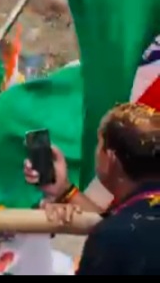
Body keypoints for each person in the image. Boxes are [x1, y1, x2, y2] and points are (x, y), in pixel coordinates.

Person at [24, 102, 160, 275]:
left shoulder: (113, 238)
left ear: (110, 159)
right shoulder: (126, 225)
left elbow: (125, 228)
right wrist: (64, 190)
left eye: (99, 143)